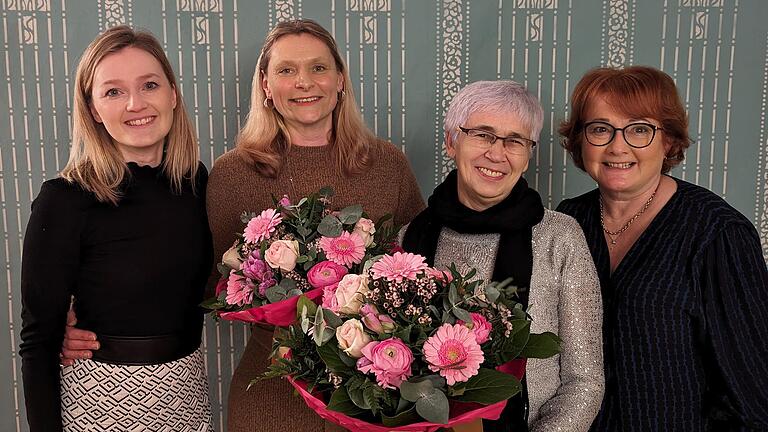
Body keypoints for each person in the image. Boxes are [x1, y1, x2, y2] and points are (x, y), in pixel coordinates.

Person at [59, 18, 425, 431]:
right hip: (270, 395)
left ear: (340, 79)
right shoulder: (234, 174)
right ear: (266, 86)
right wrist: (85, 321)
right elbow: (197, 279)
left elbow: (423, 273)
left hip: (376, 396)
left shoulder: (388, 165)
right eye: (286, 70)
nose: (304, 82)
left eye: (318, 68)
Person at [19, 25, 213, 431]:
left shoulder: (196, 183)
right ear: (92, 109)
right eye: (113, 91)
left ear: (173, 94)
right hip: (99, 402)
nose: (135, 103)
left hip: (188, 398)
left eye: (149, 85)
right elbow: (39, 342)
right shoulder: (65, 200)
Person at [556, 65, 768, 431]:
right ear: (581, 140)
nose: (617, 145)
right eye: (600, 129)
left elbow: (754, 395)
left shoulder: (717, 234)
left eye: (640, 129)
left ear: (668, 140)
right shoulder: (566, 223)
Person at [402, 80, 604, 431]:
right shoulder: (412, 237)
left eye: (515, 141)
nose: (497, 154)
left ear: (527, 156)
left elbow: (584, 381)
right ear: (452, 141)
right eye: (482, 135)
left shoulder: (560, 237)